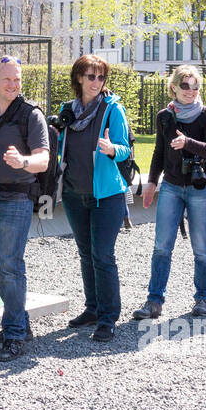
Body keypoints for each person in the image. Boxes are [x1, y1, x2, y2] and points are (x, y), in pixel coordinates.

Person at [0, 56, 50, 361]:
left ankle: (14, 334)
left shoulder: (31, 115)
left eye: (17, 79)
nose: (14, 85)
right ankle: (20, 322)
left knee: (11, 266)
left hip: (17, 199)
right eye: (7, 79)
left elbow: (43, 160)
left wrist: (23, 161)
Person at [132, 64, 206, 320]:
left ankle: (202, 299)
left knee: (201, 247)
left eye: (195, 86)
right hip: (172, 187)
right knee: (162, 246)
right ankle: (154, 301)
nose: (191, 91)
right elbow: (159, 151)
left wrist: (187, 142)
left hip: (201, 188)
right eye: (185, 85)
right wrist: (152, 183)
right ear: (173, 87)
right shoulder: (165, 116)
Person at [56, 55, 133, 342]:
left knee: (103, 255)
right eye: (91, 77)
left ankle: (108, 317)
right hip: (75, 193)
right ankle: (92, 308)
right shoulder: (67, 111)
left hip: (107, 195)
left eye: (101, 78)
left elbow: (126, 149)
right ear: (79, 78)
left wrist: (113, 149)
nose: (96, 83)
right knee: (86, 253)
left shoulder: (113, 109)